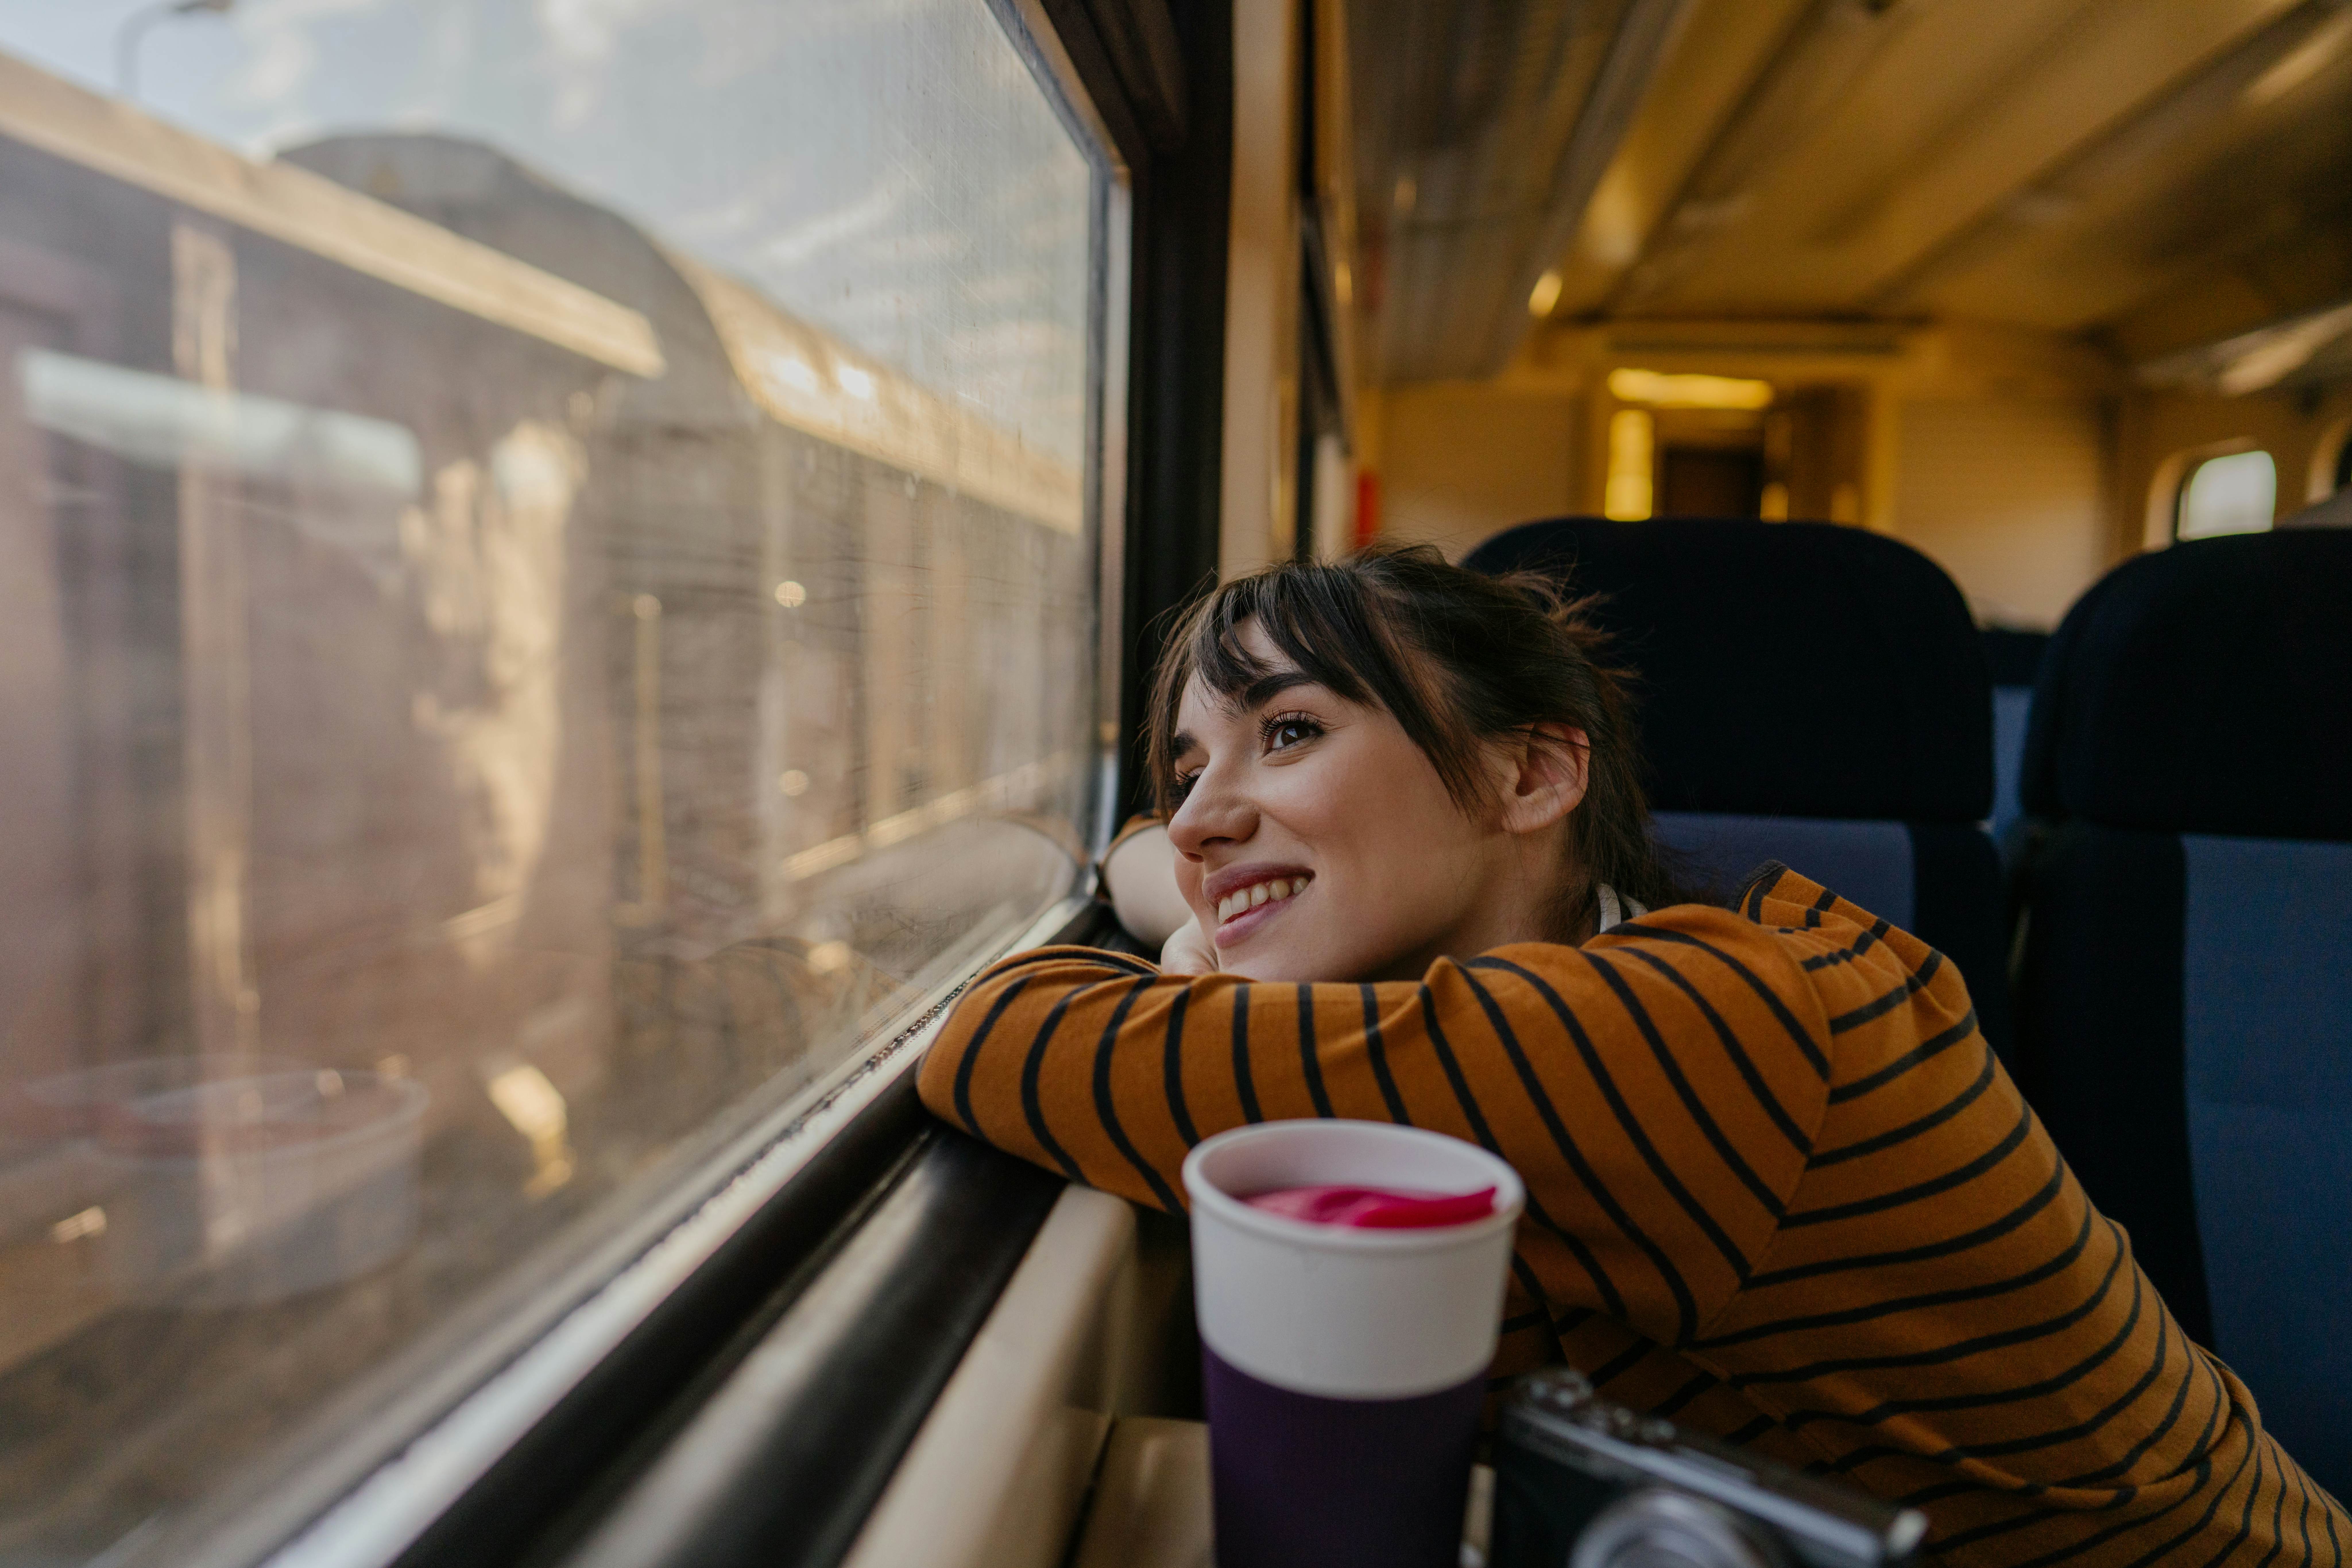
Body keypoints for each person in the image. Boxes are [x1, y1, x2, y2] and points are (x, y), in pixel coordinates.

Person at [917, 546, 2346, 1567]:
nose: (1201, 819)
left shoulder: (1703, 1030)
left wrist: (1195, 944)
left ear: (1529, 774)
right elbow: (1159, 867)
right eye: (1186, 769)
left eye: (1287, 732)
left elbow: (996, 1036)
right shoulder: (1524, 1008)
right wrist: (1194, 899)